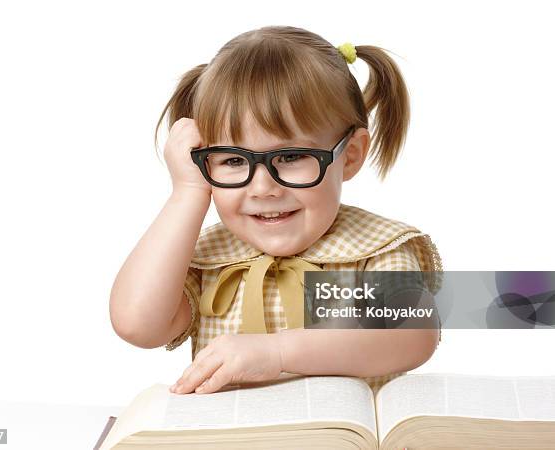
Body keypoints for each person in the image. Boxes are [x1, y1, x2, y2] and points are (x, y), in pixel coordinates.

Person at [109, 25, 443, 397]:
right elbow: (137, 324)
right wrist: (187, 192)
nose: (263, 187)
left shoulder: (375, 249)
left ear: (349, 156)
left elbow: (413, 333)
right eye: (233, 160)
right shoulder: (208, 260)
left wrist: (277, 352)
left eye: (290, 157)